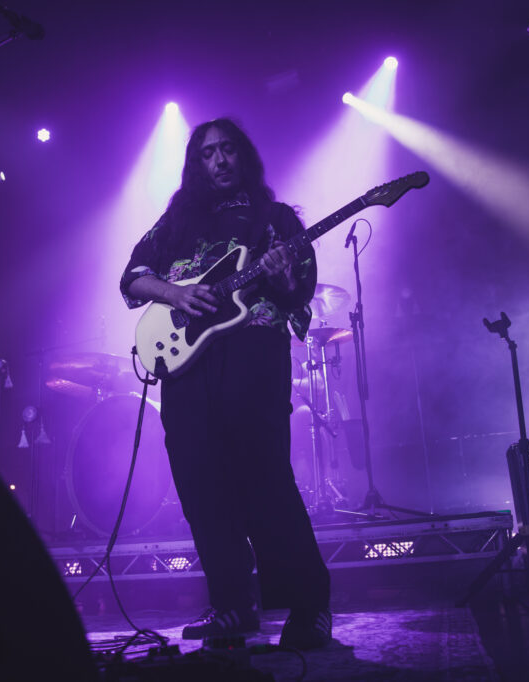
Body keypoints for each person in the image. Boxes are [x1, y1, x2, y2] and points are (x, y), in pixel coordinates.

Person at [120, 118, 332, 649]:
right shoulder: (178, 221)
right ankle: (232, 607)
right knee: (201, 484)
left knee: (265, 478)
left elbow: (296, 292)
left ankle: (309, 606)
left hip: (253, 351)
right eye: (208, 152)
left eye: (228, 150)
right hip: (188, 365)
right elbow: (131, 277)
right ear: (197, 163)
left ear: (243, 156)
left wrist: (283, 275)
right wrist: (174, 294)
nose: (219, 160)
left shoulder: (275, 218)